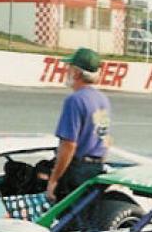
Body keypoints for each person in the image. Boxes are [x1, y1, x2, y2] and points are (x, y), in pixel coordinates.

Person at [46, 47, 111, 205]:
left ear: (76, 73)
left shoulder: (74, 101)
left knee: (67, 216)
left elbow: (69, 145)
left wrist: (54, 179)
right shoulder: (103, 100)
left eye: (69, 68)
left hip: (76, 171)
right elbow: (105, 138)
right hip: (96, 168)